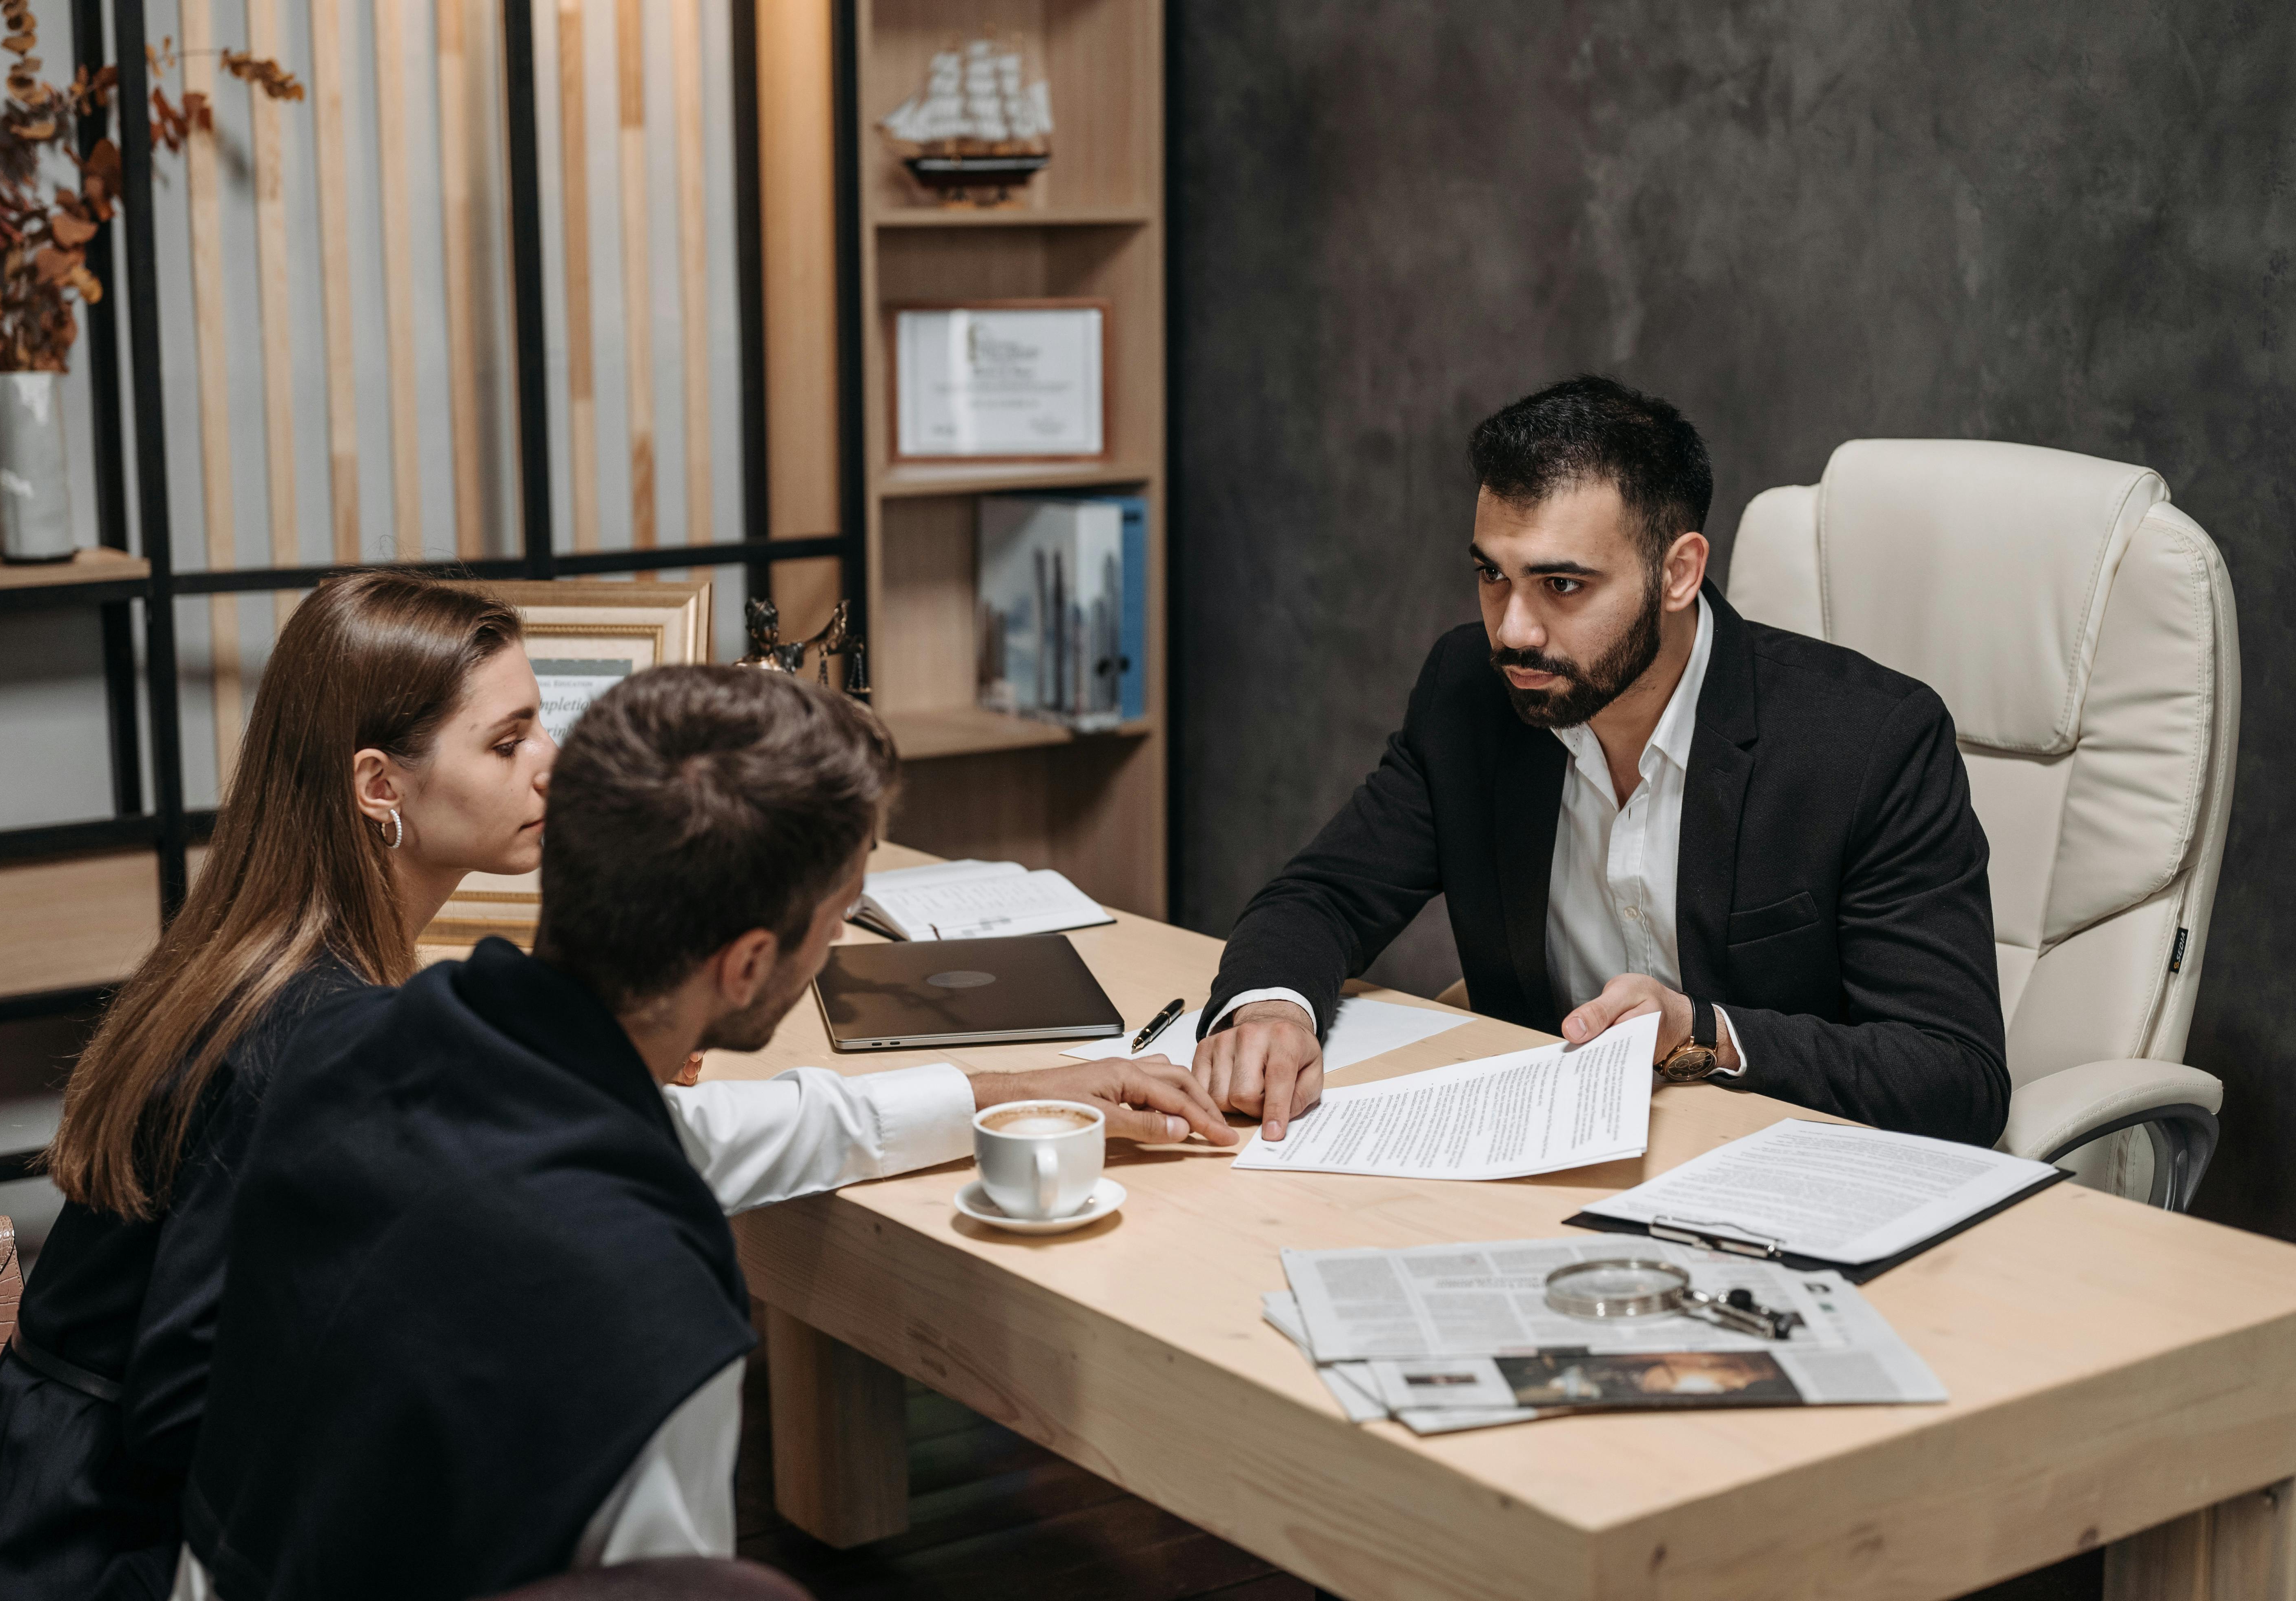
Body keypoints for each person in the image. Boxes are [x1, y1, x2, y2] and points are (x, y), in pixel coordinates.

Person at [170, 666, 1231, 1601]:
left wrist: (1022, 1087)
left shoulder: (366, 1052)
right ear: (743, 964)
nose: (837, 943)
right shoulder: (645, 1299)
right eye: (839, 916)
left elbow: (717, 1129)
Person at [0, 571, 555, 1601]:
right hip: (86, 1557)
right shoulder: (307, 1022)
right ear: (379, 786)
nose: (548, 766)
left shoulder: (266, 955)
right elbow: (187, 1401)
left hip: (36, 1516)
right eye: (508, 740)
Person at [1192, 375, 2007, 1146]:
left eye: (1562, 584)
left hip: (1790, 1176)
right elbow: (1325, 893)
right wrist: (1272, 1007)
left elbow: (1953, 1075)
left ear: (1679, 572)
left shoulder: (1870, 743)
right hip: (1552, 1161)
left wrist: (1706, 1033)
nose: (1513, 629)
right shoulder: (1471, 694)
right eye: (1492, 575)